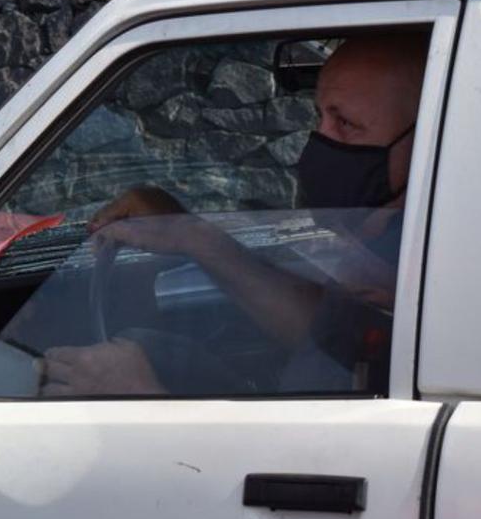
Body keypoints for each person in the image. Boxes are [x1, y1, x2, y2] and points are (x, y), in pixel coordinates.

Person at [41, 32, 427, 397]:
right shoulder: (396, 239)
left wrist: (142, 397)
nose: (318, 143)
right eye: (318, 117)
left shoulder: (437, 268)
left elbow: (356, 439)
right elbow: (332, 337)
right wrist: (191, 234)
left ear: (426, 135)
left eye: (346, 124)